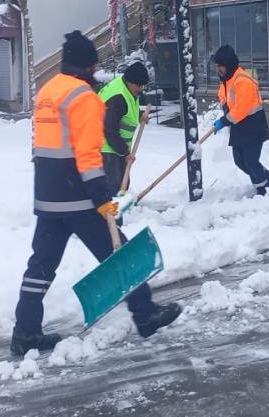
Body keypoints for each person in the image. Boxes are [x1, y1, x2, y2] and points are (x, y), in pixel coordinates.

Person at [13, 31, 181, 356]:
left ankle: (25, 331)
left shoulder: (48, 91)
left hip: (48, 195)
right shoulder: (84, 97)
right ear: (89, 65)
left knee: (41, 265)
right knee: (122, 254)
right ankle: (145, 315)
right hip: (78, 198)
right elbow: (88, 155)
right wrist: (102, 199)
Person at [212, 45, 269, 196]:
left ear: (228, 64)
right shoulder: (227, 80)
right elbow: (223, 96)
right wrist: (225, 108)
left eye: (220, 66)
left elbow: (242, 108)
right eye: (216, 66)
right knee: (240, 161)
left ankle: (261, 189)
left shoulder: (243, 81)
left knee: (250, 161)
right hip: (239, 126)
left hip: (253, 125)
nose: (217, 69)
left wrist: (224, 120)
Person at [100, 62, 149, 197]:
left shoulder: (128, 90)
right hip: (105, 147)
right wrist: (125, 152)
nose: (141, 88)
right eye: (138, 85)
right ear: (129, 81)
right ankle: (112, 210)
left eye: (143, 85)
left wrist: (139, 116)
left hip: (115, 147)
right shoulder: (118, 96)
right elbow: (109, 130)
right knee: (113, 187)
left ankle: (119, 207)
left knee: (123, 184)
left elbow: (126, 109)